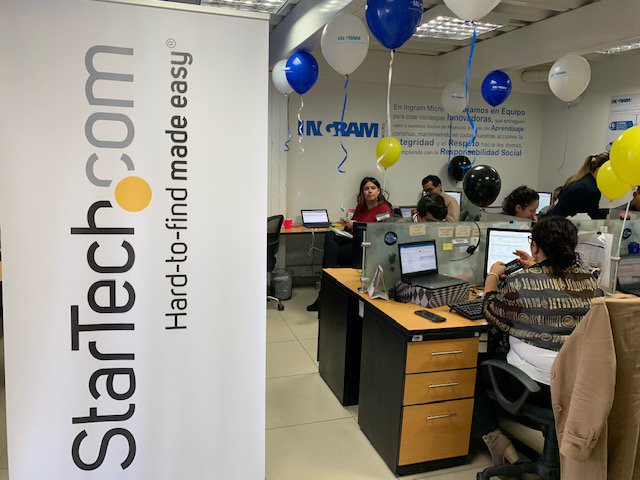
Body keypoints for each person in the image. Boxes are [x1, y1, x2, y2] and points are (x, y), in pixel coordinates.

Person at [474, 216, 598, 465]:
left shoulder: (521, 282)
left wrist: (492, 278)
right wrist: (537, 266)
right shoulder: (589, 281)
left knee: (472, 369)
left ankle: (496, 440)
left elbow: (491, 312)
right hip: (579, 386)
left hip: (539, 387)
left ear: (535, 246)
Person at [306, 177, 392, 312]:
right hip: (353, 240)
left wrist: (356, 224)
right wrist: (347, 224)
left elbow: (382, 231)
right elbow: (351, 228)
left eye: (373, 188)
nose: (370, 191)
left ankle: (325, 289)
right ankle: (330, 274)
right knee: (330, 235)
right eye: (366, 189)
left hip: (367, 246)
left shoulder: (383, 208)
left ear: (378, 191)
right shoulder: (360, 207)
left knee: (333, 255)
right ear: (362, 192)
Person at [545, 153, 609, 219]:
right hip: (559, 223)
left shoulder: (576, 180)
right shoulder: (592, 190)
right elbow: (591, 219)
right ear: (599, 170)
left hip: (550, 221)